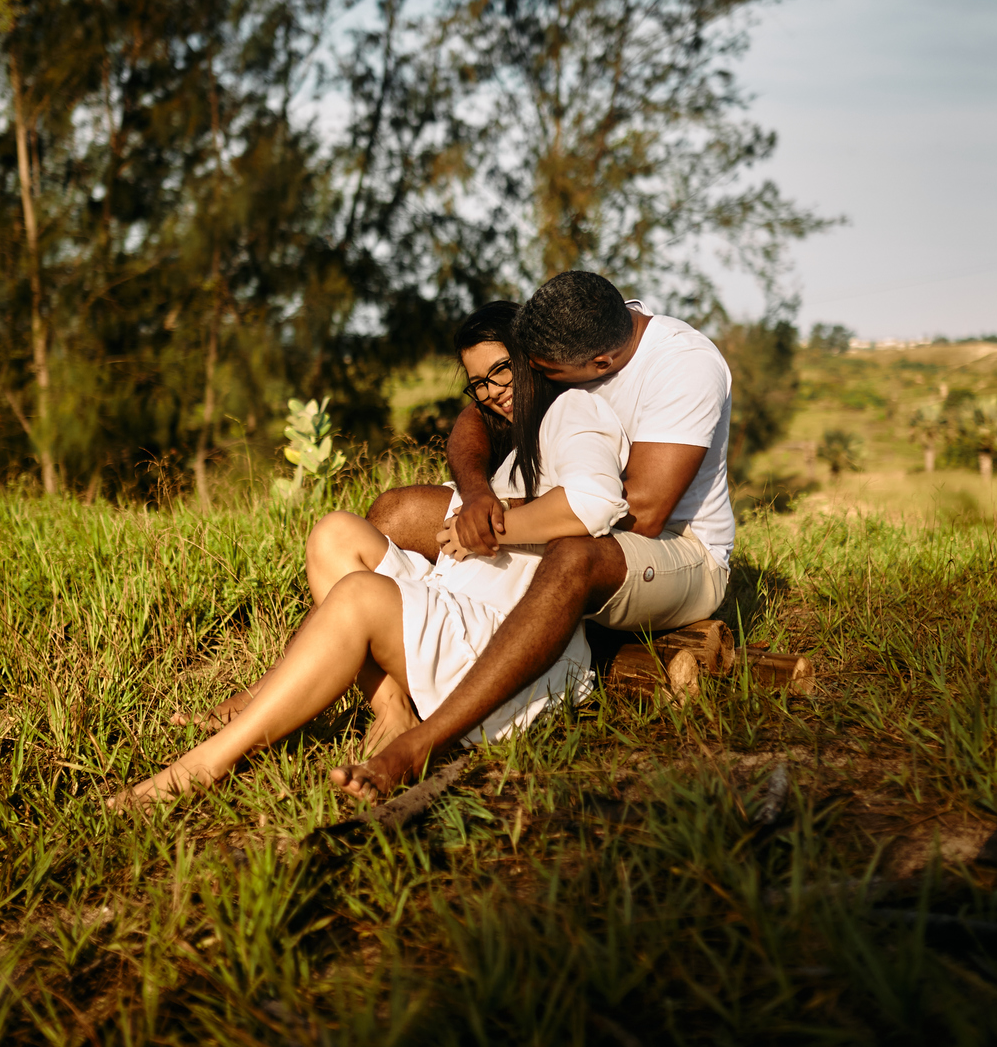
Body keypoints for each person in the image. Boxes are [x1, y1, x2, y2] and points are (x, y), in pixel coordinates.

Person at [112, 304, 630, 805]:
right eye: (480, 383)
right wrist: (478, 502)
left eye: (502, 371)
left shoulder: (571, 409)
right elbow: (470, 433)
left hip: (503, 656)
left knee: (360, 594)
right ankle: (392, 708)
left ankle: (206, 764)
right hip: (458, 609)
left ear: (530, 357)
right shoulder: (521, 437)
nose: (495, 393)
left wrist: (494, 526)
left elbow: (597, 501)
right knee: (335, 534)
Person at [331, 270, 733, 801]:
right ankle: (402, 678)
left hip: (677, 551)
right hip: (565, 518)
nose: (530, 381)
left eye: (543, 372)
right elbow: (479, 411)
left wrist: (497, 526)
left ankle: (423, 741)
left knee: (573, 555)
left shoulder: (684, 367)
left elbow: (643, 511)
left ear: (600, 367)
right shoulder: (578, 325)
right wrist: (477, 495)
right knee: (397, 512)